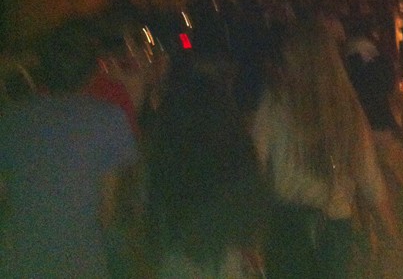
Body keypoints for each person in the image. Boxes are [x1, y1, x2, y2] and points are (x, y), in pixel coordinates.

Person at [250, 12, 398, 279]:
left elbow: (254, 165)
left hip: (288, 230)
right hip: (334, 230)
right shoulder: (347, 109)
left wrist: (250, 234)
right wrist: (389, 234)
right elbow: (369, 178)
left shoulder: (275, 103)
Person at [0, 17, 137, 279]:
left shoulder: (12, 118)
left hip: (18, 261)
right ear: (91, 69)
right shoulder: (108, 118)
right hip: (81, 263)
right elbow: (108, 209)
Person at [145, 54, 269, 278]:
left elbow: (154, 200)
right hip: (229, 255)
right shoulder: (234, 144)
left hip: (181, 254)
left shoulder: (168, 143)